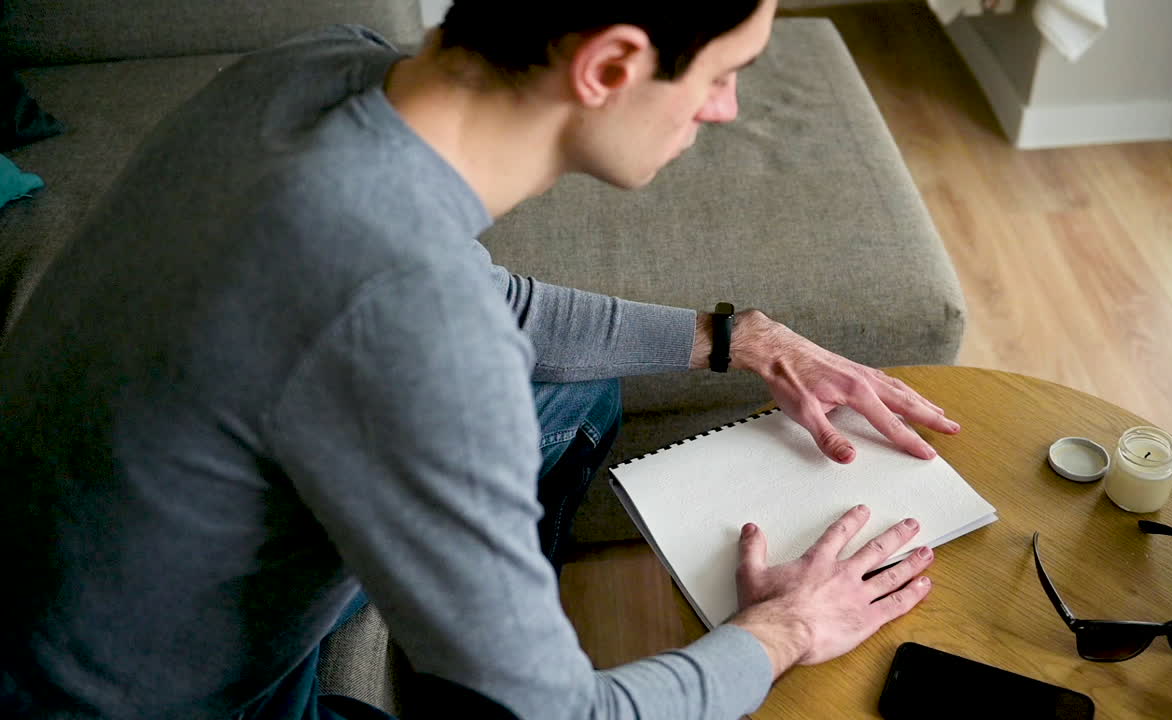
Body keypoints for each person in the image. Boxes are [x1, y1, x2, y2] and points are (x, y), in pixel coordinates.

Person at [0, 1, 962, 718]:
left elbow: (484, 303)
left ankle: (488, 631)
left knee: (578, 393)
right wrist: (782, 633)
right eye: (721, 72)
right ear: (613, 63)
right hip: (130, 706)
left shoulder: (311, 72)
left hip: (60, 584)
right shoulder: (414, 324)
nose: (727, 107)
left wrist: (734, 337)